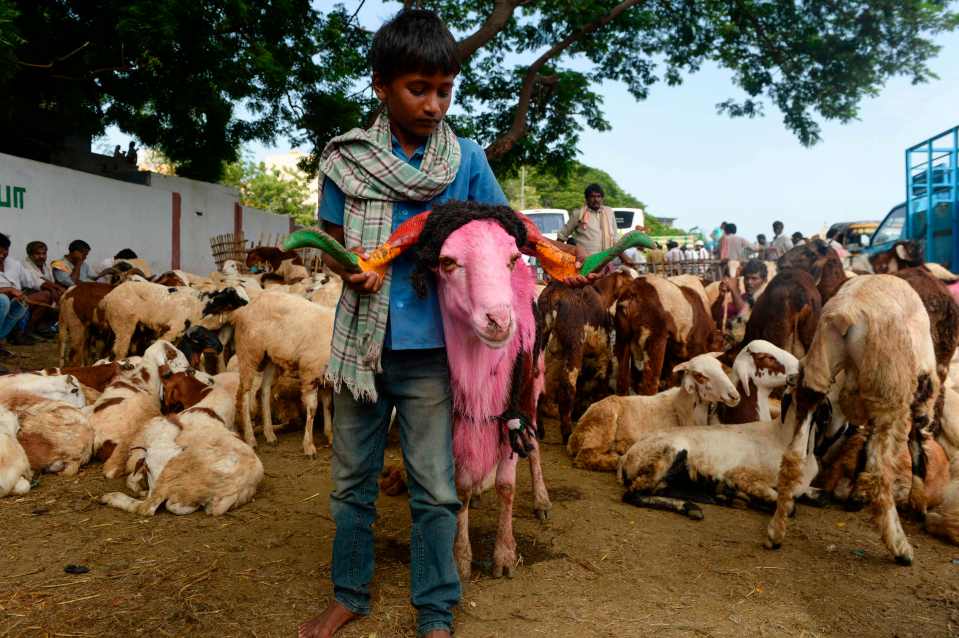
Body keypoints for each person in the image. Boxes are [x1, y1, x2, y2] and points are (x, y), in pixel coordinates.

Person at [300, 10, 548, 638]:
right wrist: (347, 268)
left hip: (434, 351)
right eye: (418, 89)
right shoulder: (347, 162)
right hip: (362, 348)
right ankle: (348, 593)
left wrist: (547, 260)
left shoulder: (464, 160)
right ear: (381, 85)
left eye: (445, 90)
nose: (434, 104)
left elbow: (501, 229)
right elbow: (329, 241)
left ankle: (435, 608)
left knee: (436, 487)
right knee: (351, 482)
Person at [557, 183, 619, 261]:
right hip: (586, 261)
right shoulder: (578, 214)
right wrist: (557, 257)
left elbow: (615, 238)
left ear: (602, 198)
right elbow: (562, 236)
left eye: (598, 196)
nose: (596, 200)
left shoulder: (609, 212)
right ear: (587, 199)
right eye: (592, 197)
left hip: (607, 260)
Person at [0, 234, 37, 357]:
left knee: (22, 303)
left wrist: (48, 285)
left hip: (10, 301)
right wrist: (9, 290)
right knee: (3, 300)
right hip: (3, 301)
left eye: (4, 251)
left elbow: (31, 280)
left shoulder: (13, 263)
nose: (2, 255)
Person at [713, 259, 768, 336]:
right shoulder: (743, 297)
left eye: (754, 278)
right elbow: (715, 316)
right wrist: (721, 297)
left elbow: (745, 317)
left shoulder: (767, 299)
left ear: (764, 280)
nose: (749, 282)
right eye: (747, 278)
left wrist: (734, 289)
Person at [21, 241, 63, 339]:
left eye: (44, 254)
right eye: (37, 254)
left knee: (61, 298)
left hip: (43, 293)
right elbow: (38, 282)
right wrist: (54, 290)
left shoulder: (46, 266)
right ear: (30, 255)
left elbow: (50, 282)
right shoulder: (24, 265)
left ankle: (42, 328)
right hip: (26, 296)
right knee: (48, 296)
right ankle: (28, 330)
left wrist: (57, 290)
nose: (41, 256)